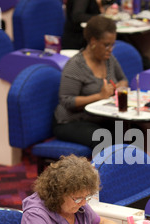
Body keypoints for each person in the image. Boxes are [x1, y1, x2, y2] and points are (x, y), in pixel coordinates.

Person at [54, 15, 128, 149]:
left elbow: (123, 80)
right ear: (93, 41)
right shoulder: (75, 65)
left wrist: (117, 87)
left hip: (100, 117)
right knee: (103, 138)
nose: (110, 49)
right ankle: (104, 170)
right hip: (72, 121)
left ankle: (130, 169)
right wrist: (99, 96)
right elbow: (67, 101)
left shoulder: (109, 59)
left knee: (133, 132)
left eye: (112, 44)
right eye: (106, 45)